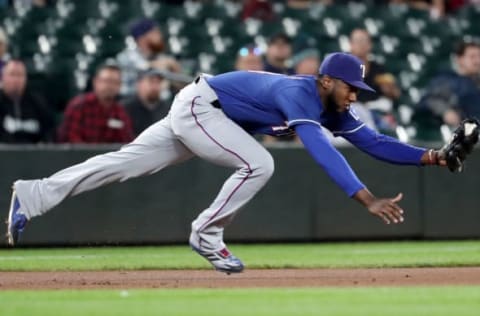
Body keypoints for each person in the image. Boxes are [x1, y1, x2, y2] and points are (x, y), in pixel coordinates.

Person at [7, 53, 449, 274]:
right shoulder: (299, 93)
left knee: (122, 163)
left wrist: (433, 157)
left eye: (359, 90)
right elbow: (320, 150)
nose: (355, 95)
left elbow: (374, 142)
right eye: (350, 87)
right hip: (204, 107)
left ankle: (34, 193)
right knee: (260, 163)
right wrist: (365, 197)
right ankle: (207, 233)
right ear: (327, 80)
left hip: (203, 111)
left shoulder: (333, 107)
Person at [57, 61, 134, 143]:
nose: (109, 86)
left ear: (119, 86)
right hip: (81, 155)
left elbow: (126, 142)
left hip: (109, 155)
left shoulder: (120, 112)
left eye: (114, 82)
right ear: (95, 82)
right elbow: (70, 140)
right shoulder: (79, 106)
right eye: (106, 81)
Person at [415, 39, 480, 128]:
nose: (477, 61)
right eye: (472, 57)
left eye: (479, 56)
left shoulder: (477, 83)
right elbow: (430, 101)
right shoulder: (447, 80)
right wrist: (445, 111)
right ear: (459, 59)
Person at [116, 19, 181, 96]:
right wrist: (151, 66)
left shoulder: (163, 58)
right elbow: (122, 90)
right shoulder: (125, 58)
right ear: (142, 38)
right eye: (155, 33)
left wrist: (175, 70)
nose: (160, 36)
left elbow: (180, 89)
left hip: (164, 105)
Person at [0, 59, 55, 143]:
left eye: (20, 75)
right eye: (12, 74)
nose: (16, 80)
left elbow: (49, 131)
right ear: (3, 78)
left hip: (34, 153)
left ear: (26, 79)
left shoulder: (38, 103)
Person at [121, 68, 170, 136]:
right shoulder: (125, 108)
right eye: (151, 81)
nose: (155, 87)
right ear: (139, 84)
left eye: (158, 82)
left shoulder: (167, 110)